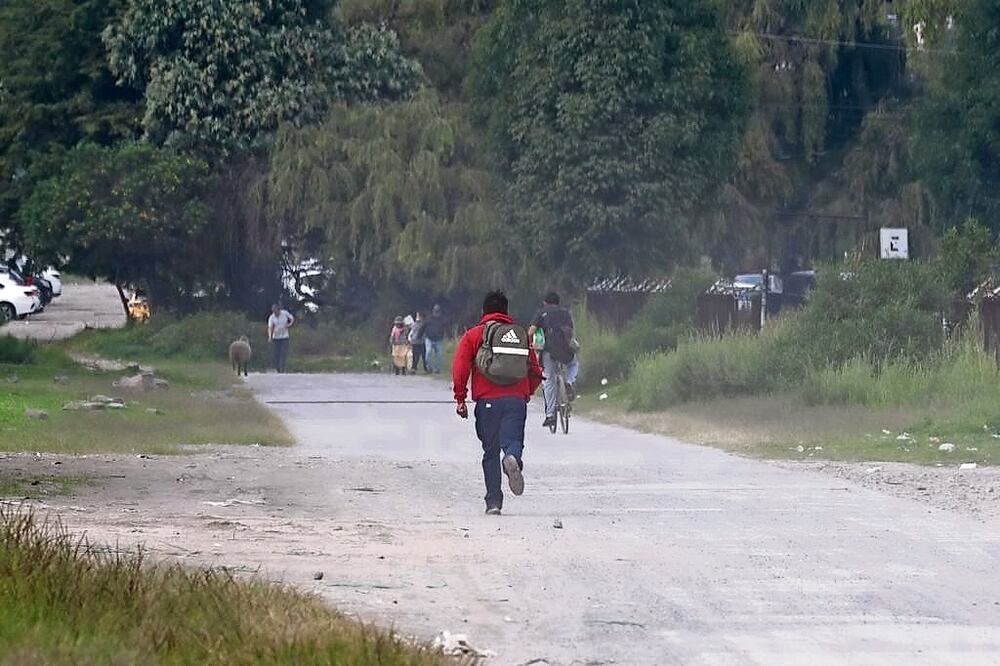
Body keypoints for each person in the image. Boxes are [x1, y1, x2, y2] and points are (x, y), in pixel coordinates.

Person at [453, 291, 543, 515]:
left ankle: (493, 502)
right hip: (515, 401)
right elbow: (535, 370)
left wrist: (460, 398)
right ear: (506, 310)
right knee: (513, 441)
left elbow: (460, 368)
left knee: (490, 452)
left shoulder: (474, 336)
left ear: (484, 311)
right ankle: (512, 458)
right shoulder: (520, 334)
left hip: (487, 403)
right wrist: (525, 393)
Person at [528, 292, 580, 429]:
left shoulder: (541, 312)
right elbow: (571, 331)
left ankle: (550, 415)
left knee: (549, 380)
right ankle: (568, 382)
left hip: (549, 350)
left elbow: (531, 331)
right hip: (565, 349)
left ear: (545, 302)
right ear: (558, 302)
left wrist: (527, 342)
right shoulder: (565, 312)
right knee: (574, 364)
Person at [267, 303, 295, 373]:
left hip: (285, 336)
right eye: (273, 311)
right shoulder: (272, 317)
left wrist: (289, 324)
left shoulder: (285, 313)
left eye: (275, 311)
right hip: (276, 337)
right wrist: (270, 337)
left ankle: (283, 369)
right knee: (276, 354)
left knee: (283, 353)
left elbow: (292, 318)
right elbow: (270, 328)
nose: (274, 312)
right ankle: (277, 368)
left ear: (278, 310)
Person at [423, 304, 446, 374]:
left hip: (438, 339)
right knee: (428, 352)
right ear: (433, 311)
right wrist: (418, 335)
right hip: (429, 339)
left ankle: (437, 369)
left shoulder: (442, 320)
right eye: (435, 311)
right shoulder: (429, 319)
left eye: (438, 311)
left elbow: (445, 328)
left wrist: (447, 335)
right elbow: (423, 327)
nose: (436, 313)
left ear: (440, 312)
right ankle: (429, 367)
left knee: (439, 355)